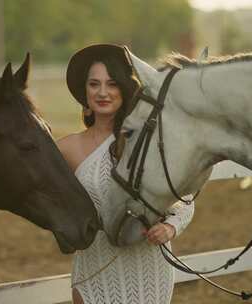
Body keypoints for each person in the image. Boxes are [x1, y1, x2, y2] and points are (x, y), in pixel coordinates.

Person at [58, 44, 194, 304]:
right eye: (94, 84)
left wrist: (170, 227)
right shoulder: (67, 148)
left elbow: (185, 198)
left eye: (111, 84)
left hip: (150, 269)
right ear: (84, 92)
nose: (103, 92)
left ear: (123, 88)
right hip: (93, 272)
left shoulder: (146, 141)